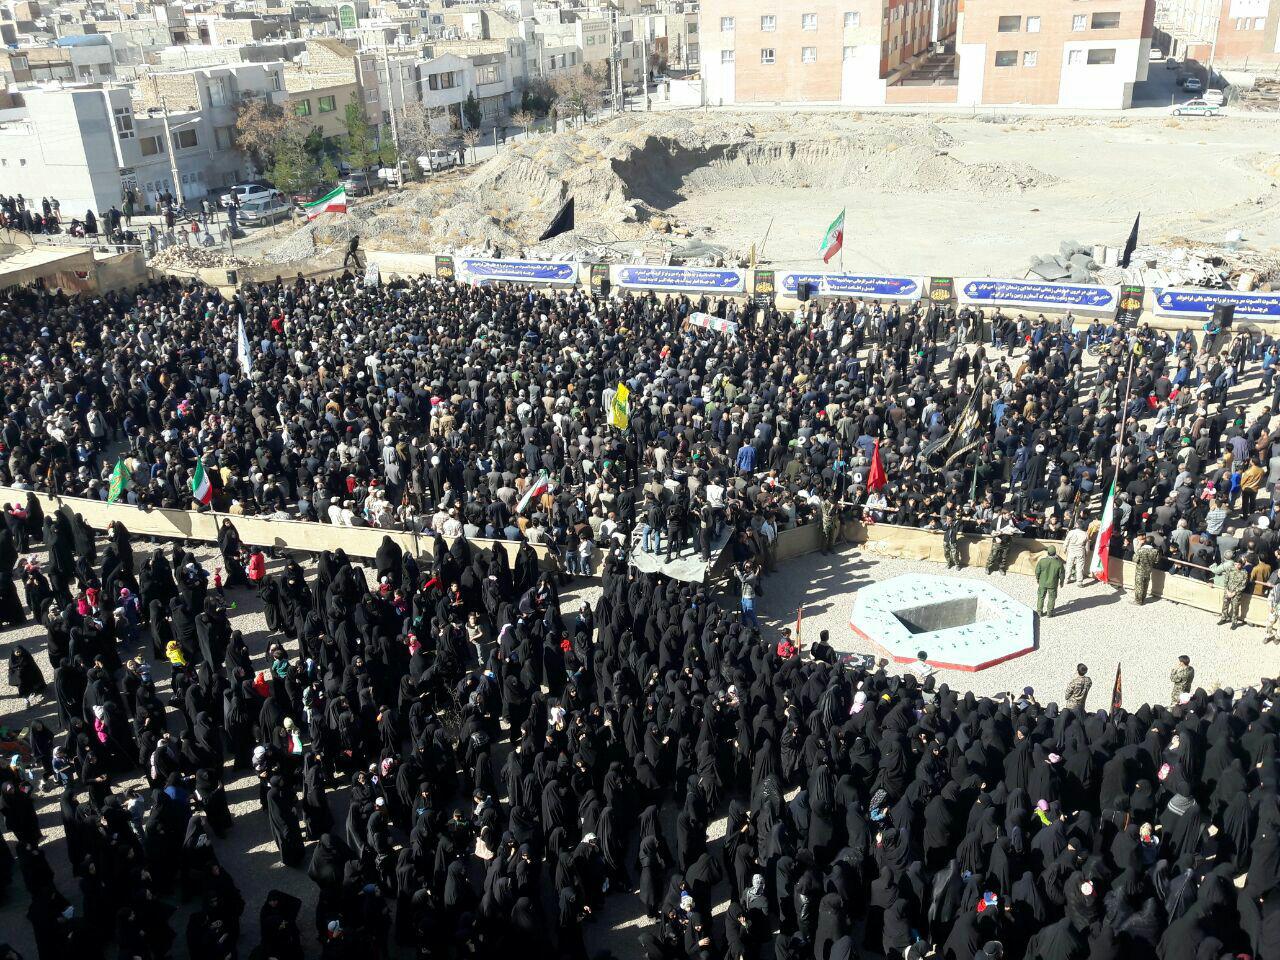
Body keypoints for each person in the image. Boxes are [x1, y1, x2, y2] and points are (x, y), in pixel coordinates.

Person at [1033, 545, 1065, 617]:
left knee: (1041, 596)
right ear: (1055, 553)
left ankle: (1039, 611)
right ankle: (1049, 613)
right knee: (1052, 598)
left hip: (1042, 582)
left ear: (1048, 552)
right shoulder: (1059, 563)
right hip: (1053, 584)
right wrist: (1061, 582)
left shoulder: (1042, 561)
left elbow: (1037, 571)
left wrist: (1037, 578)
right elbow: (1062, 574)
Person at [1131, 534, 1161, 606]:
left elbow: (1134, 560)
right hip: (1148, 571)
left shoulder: (1140, 550)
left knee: (1139, 586)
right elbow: (1157, 561)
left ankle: (1138, 601)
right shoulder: (1155, 551)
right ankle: (1143, 599)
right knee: (1145, 585)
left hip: (1139, 571)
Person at [1219, 558, 1249, 628]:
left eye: (1238, 564)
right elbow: (1226, 580)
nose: (1236, 566)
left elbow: (1243, 585)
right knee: (1225, 605)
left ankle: (1234, 622)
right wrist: (1227, 590)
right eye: (1235, 564)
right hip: (1228, 591)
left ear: (1241, 564)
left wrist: (1234, 592)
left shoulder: (1244, 572)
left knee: (1235, 608)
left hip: (1237, 593)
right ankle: (1224, 618)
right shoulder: (1230, 569)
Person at [986, 510, 1018, 574]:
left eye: (1011, 515)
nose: (1010, 516)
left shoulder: (1012, 521)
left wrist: (1014, 533)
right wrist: (996, 537)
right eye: (1008, 515)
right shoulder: (996, 521)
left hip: (1007, 541)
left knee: (1004, 557)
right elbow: (990, 530)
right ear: (1003, 514)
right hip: (997, 541)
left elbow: (1016, 529)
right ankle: (988, 567)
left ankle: (1001, 568)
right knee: (993, 556)